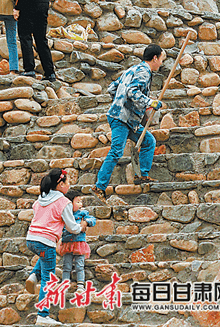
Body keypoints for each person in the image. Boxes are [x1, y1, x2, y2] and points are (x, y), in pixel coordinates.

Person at [92, 43, 165, 198]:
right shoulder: (144, 72)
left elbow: (112, 88)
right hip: (121, 119)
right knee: (116, 151)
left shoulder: (131, 70)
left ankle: (141, 175)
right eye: (161, 59)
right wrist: (148, 102)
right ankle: (99, 187)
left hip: (128, 119)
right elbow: (132, 91)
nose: (161, 63)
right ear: (155, 58)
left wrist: (123, 103)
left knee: (148, 141)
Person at [25, 168, 87, 326]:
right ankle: (43, 315)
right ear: (60, 184)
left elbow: (35, 210)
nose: (69, 184)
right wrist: (83, 226)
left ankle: (33, 276)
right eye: (67, 181)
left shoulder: (42, 197)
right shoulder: (63, 201)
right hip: (46, 241)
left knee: (44, 257)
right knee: (48, 278)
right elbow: (72, 227)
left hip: (31, 239)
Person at [59, 188, 96, 287]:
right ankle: (65, 283)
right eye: (78, 202)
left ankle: (80, 283)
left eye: (81, 202)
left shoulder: (82, 213)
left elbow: (92, 219)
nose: (81, 204)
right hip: (67, 243)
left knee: (80, 265)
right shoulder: (65, 214)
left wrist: (86, 222)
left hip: (79, 243)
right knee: (66, 265)